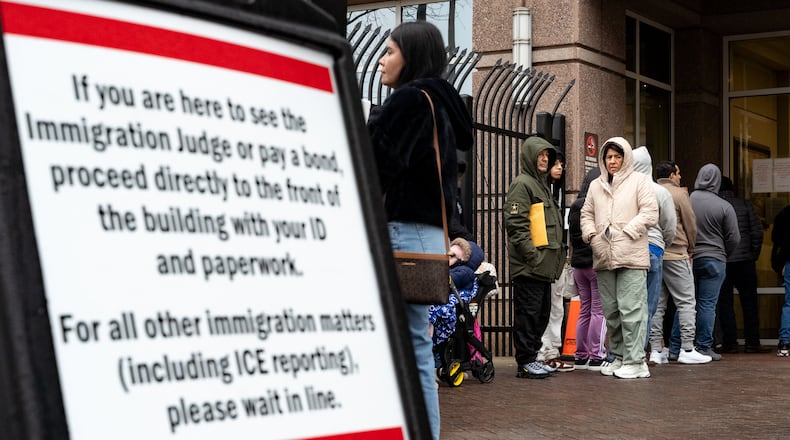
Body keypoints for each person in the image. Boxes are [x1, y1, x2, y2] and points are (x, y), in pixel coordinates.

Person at [367, 20, 473, 439]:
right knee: (415, 347)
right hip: (427, 235)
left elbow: (375, 168)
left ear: (410, 57)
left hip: (402, 234)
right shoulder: (440, 105)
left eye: (389, 51)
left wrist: (373, 124)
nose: (380, 59)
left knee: (401, 345)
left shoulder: (410, 101)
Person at [580, 137, 657, 379]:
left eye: (617, 156)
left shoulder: (640, 182)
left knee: (631, 309)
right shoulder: (596, 185)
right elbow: (586, 213)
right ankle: (620, 357)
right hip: (603, 257)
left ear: (626, 158)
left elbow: (650, 212)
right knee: (612, 311)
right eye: (609, 157)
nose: (613, 161)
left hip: (631, 256)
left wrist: (627, 232)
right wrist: (591, 235)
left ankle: (636, 361)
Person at [505, 136, 565, 379]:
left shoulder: (541, 185)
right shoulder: (523, 184)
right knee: (528, 315)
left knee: (539, 315)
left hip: (542, 269)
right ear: (530, 156)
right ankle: (526, 361)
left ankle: (532, 358)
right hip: (531, 267)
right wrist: (534, 257)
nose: (544, 158)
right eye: (540, 154)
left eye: (547, 156)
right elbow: (516, 226)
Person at [650, 161, 711, 364]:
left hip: (656, 253)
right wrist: (691, 248)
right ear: (672, 175)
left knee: (658, 305)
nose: (680, 177)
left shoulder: (650, 190)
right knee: (686, 302)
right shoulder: (679, 194)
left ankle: (656, 350)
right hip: (677, 253)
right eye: (678, 173)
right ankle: (687, 347)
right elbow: (690, 224)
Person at [687, 164, 740, 361]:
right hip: (716, 259)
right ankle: (703, 346)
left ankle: (679, 346)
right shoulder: (724, 205)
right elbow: (734, 238)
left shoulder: (688, 200)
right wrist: (724, 253)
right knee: (708, 304)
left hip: (690, 259)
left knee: (685, 303)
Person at [632, 147, 676, 360]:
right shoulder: (660, 192)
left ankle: (622, 354)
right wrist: (662, 244)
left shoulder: (626, 189)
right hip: (654, 249)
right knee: (649, 306)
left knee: (629, 305)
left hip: (630, 251)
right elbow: (670, 225)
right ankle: (640, 351)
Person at [717, 176, 767, 353]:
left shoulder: (716, 205)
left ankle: (730, 343)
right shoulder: (744, 204)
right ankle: (752, 342)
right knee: (749, 302)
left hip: (723, 260)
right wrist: (753, 254)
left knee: (725, 302)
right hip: (745, 260)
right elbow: (757, 231)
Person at [537, 154, 575, 372]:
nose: (560, 167)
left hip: (559, 257)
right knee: (546, 306)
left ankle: (553, 351)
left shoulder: (558, 192)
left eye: (562, 164)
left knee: (557, 305)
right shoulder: (541, 191)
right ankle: (543, 352)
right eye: (556, 163)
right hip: (545, 257)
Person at [568, 167, 607, 371]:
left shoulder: (574, 206)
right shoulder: (595, 204)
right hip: (594, 264)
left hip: (578, 266)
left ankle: (581, 356)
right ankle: (597, 355)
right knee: (598, 312)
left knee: (584, 311)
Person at [772, 205, 790, 357]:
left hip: (789, 261)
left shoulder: (785, 213)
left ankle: (785, 342)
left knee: (789, 303)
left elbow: (776, 239)